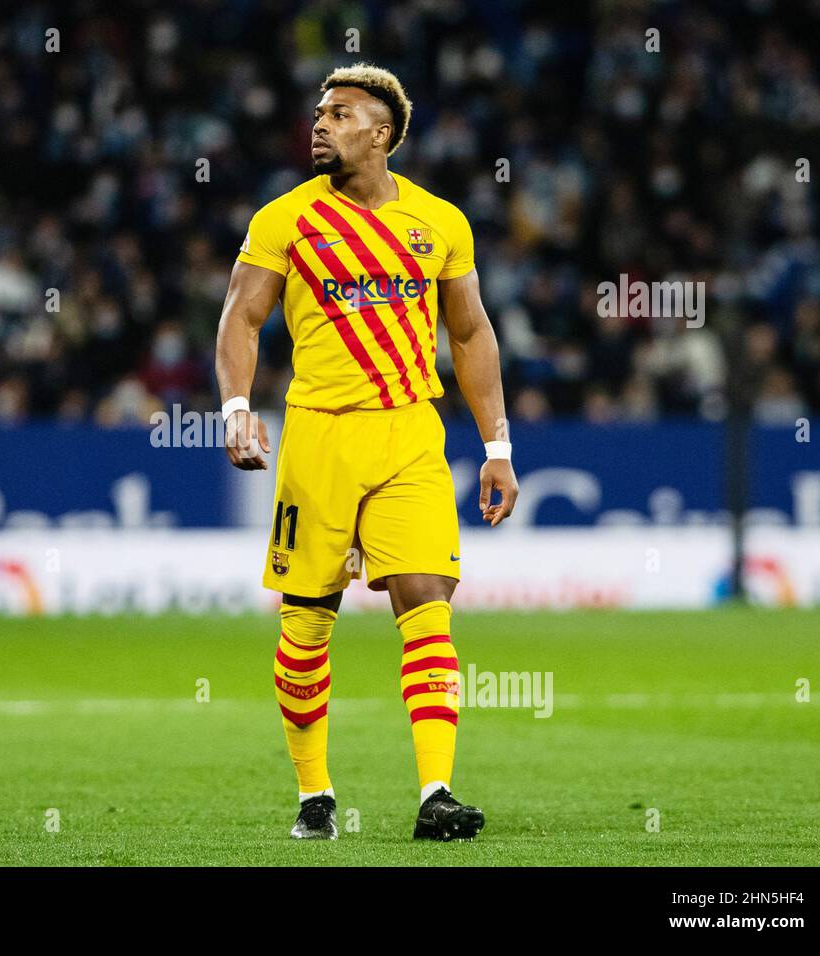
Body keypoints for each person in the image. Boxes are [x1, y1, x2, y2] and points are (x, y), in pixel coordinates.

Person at [214, 63, 518, 842]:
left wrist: (497, 446)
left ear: (380, 135)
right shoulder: (284, 219)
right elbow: (242, 318)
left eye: (339, 113)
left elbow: (471, 330)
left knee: (426, 598)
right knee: (307, 620)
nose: (320, 123)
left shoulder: (440, 223)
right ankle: (316, 794)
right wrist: (238, 407)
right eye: (318, 112)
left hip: (412, 431)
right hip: (318, 435)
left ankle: (437, 793)